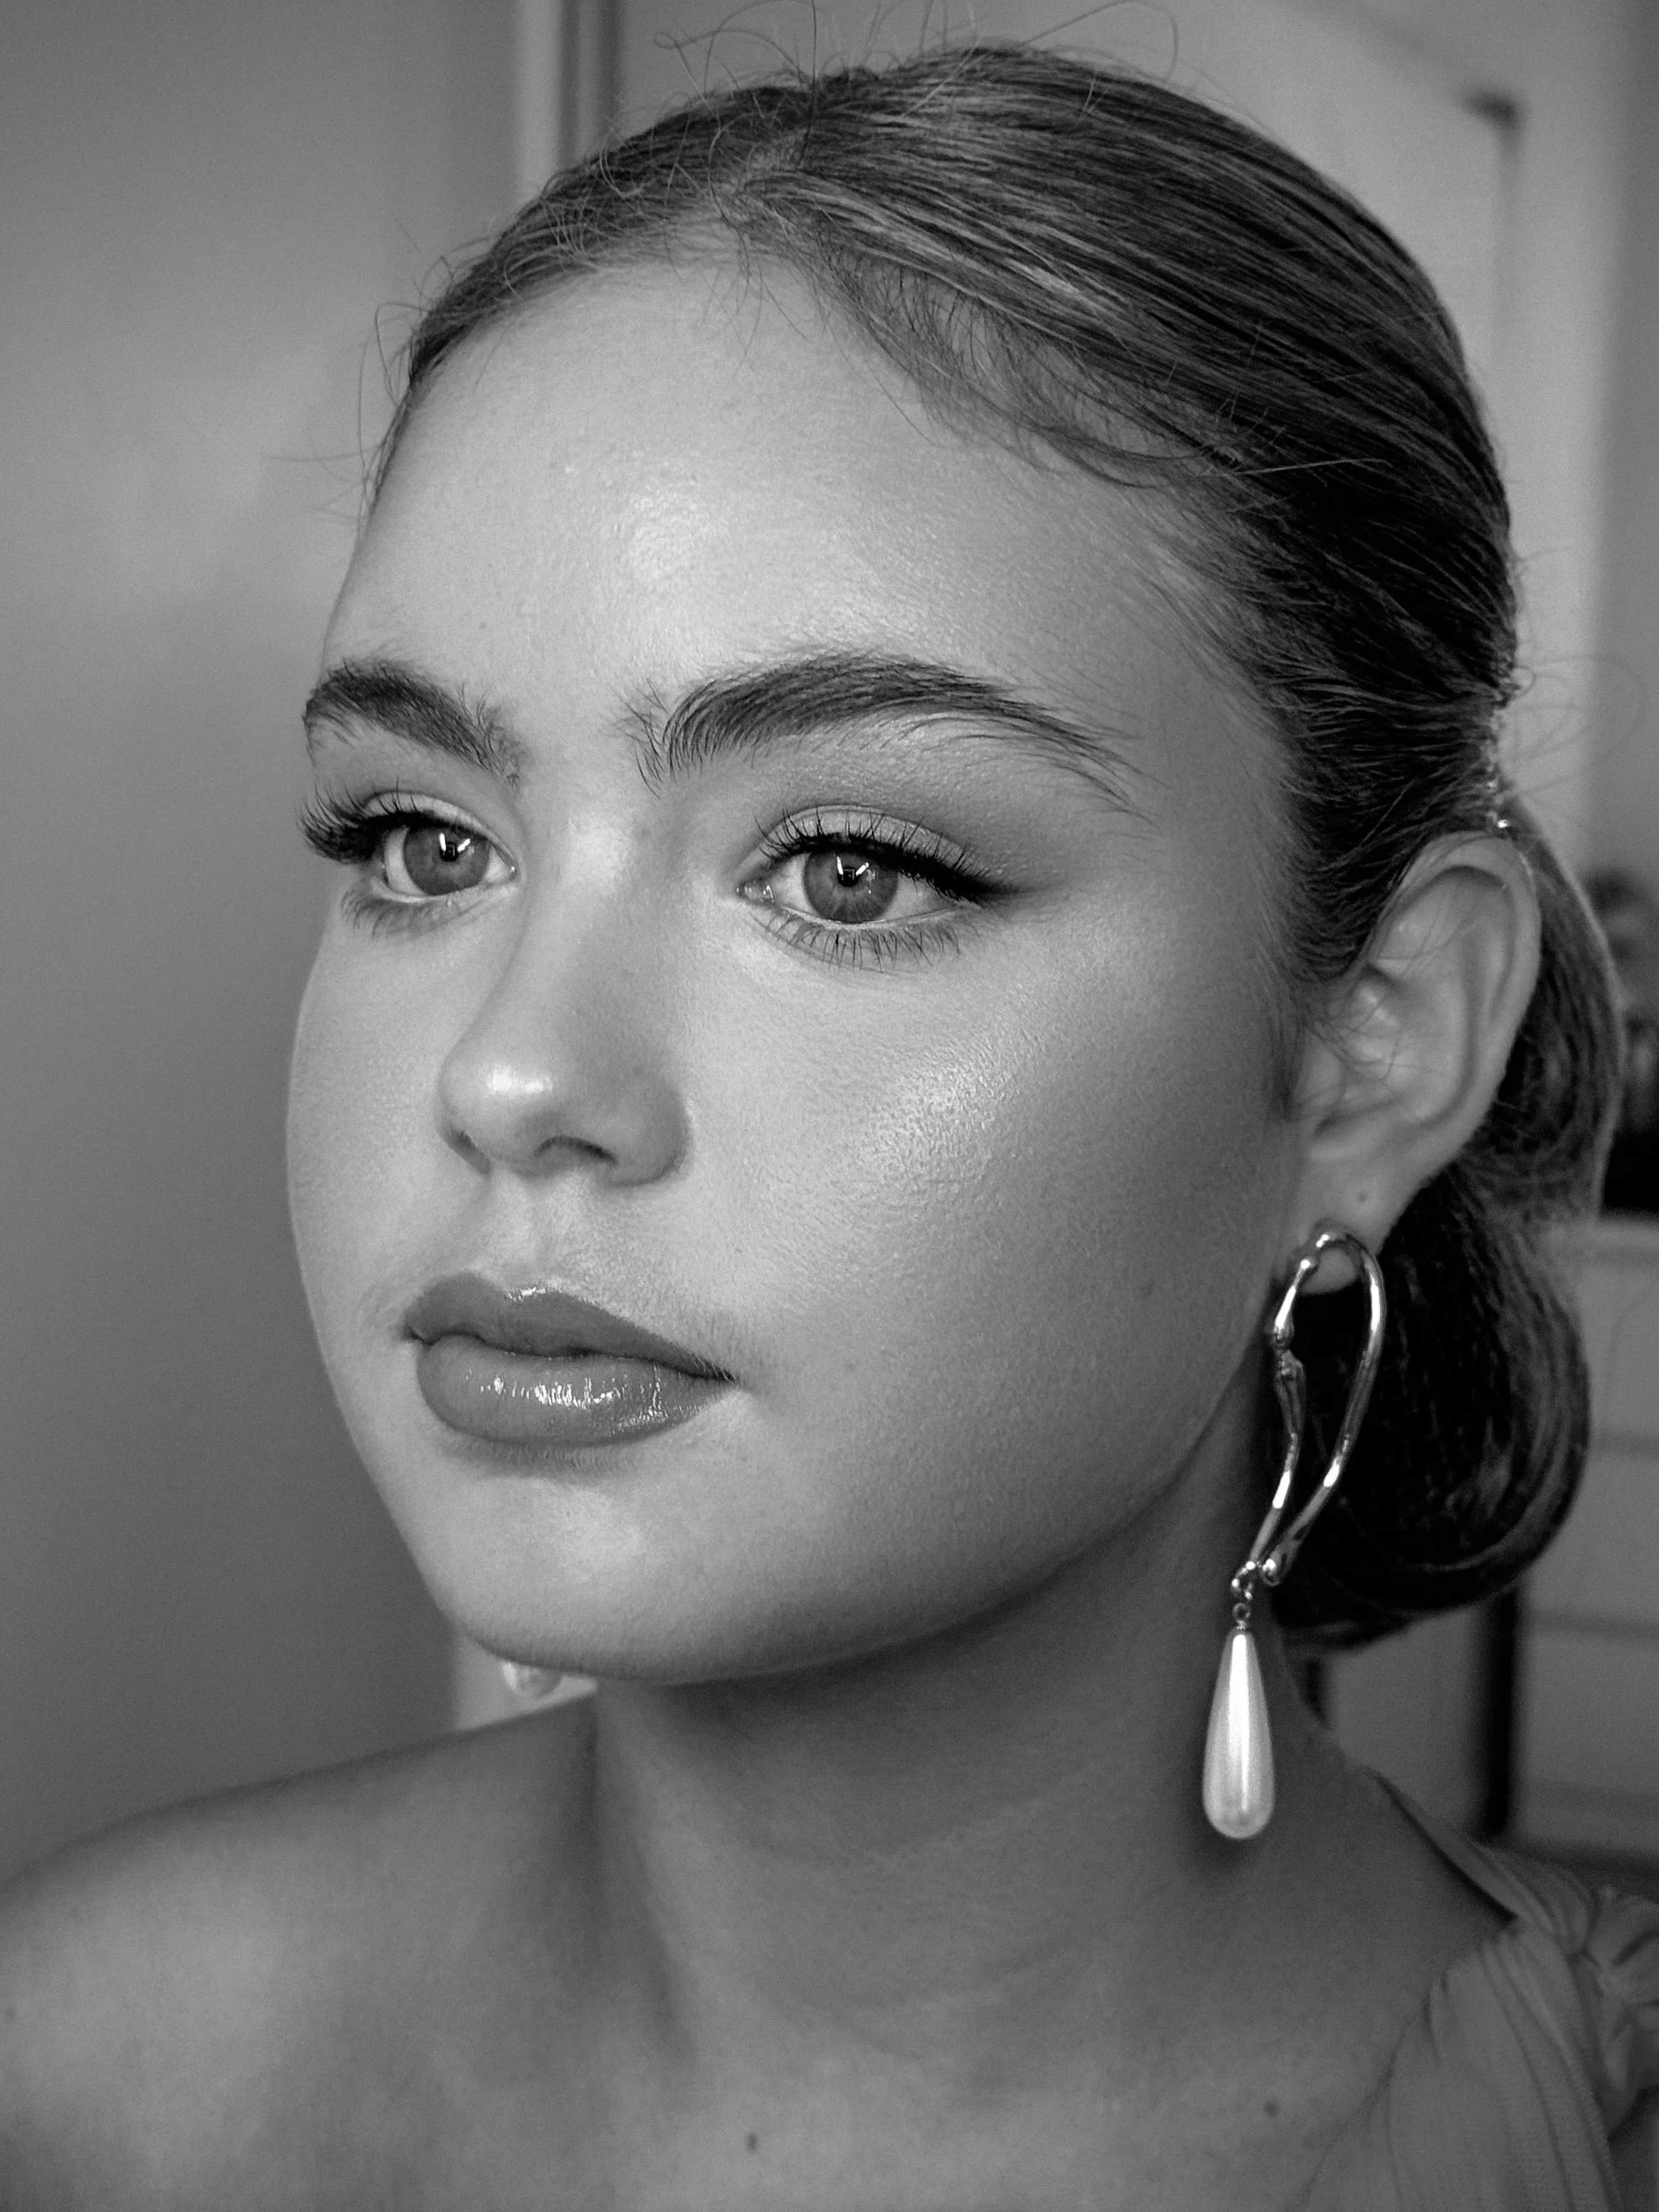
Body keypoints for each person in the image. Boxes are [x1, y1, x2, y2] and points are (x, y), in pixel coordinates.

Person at [2, 41, 1655, 2208]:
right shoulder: (87, 2083)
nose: (510, 1078)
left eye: (850, 869)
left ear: (1380, 1043)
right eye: (421, 838)